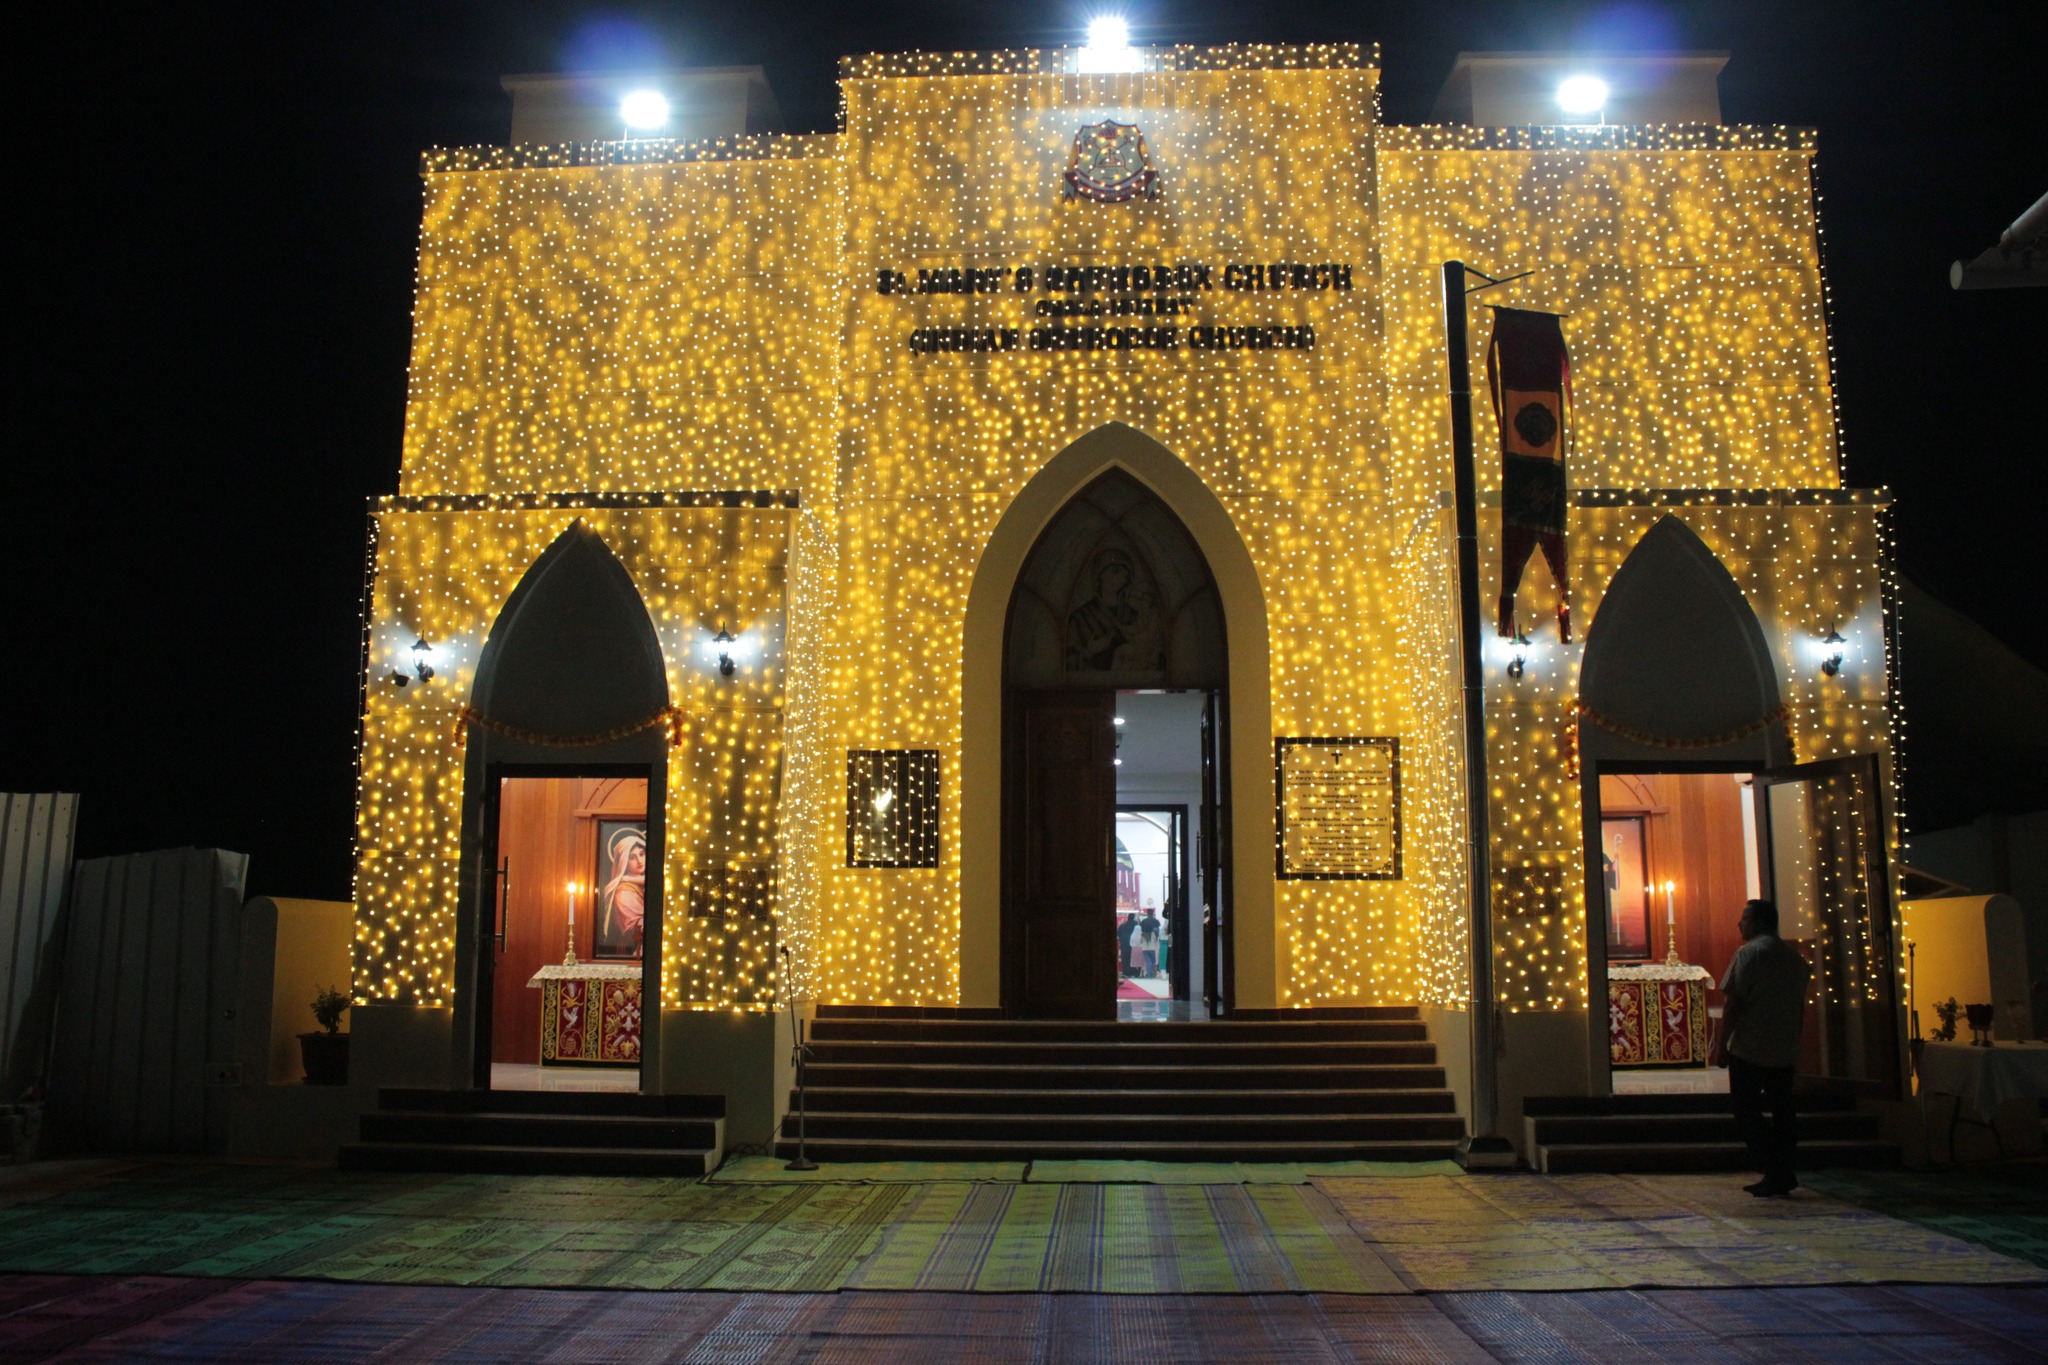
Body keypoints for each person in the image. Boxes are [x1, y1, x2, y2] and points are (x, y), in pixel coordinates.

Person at [1710, 898, 1812, 1197]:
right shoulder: (1794, 958)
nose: (1740, 924)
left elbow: (1734, 1003)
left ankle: (1776, 1169)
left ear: (1759, 922)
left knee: (1746, 1111)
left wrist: (1722, 1044)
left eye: (1745, 918)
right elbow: (1798, 1008)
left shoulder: (1749, 954)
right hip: (1782, 1047)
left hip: (1750, 1047)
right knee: (1783, 1113)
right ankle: (1782, 1169)